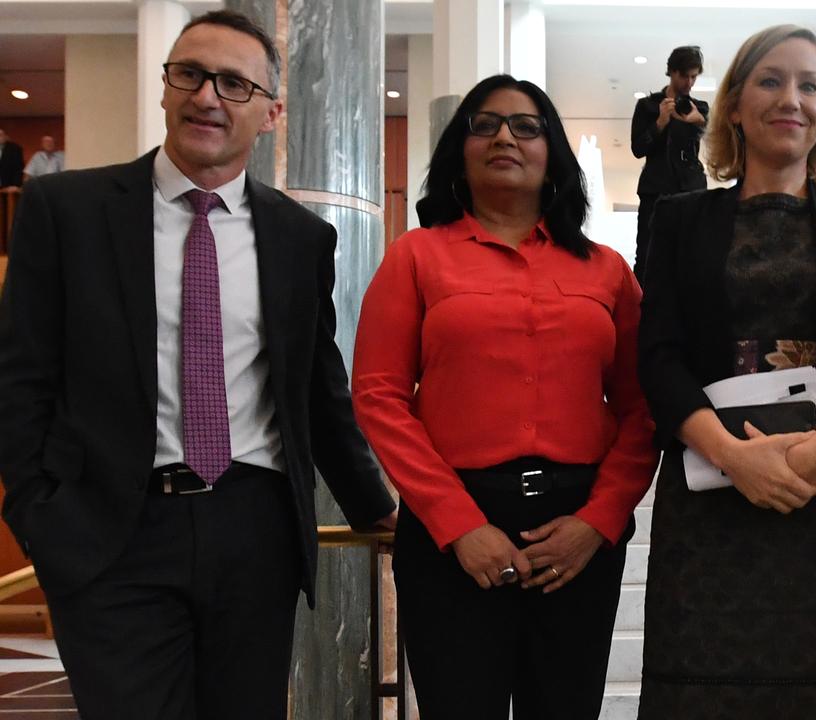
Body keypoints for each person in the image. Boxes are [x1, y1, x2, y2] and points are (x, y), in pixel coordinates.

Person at [0, 10, 396, 719]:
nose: (207, 96)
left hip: (255, 532)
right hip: (112, 533)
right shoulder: (68, 211)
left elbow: (317, 391)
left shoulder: (300, 238)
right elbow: (21, 378)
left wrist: (379, 508)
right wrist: (40, 515)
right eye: (190, 74)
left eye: (233, 84)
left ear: (271, 112)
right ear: (165, 89)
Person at [351, 74, 656, 720]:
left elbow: (642, 410)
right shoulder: (416, 257)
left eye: (525, 126)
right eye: (483, 125)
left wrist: (597, 524)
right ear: (458, 150)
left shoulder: (606, 270)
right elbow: (378, 395)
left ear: (553, 155)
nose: (503, 138)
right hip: (452, 531)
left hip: (577, 533)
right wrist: (459, 526)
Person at [638, 25, 816, 718]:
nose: (793, 98)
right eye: (771, 80)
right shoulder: (679, 219)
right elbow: (658, 355)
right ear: (733, 104)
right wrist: (734, 457)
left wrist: (812, 456)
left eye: (810, 85)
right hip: (709, 508)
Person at [630, 45, 709, 284]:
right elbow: (638, 149)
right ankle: (641, 313)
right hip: (655, 188)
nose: (689, 82)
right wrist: (660, 123)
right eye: (684, 75)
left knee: (692, 253)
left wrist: (699, 123)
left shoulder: (699, 108)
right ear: (672, 72)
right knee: (647, 253)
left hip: (691, 188)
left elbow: (710, 142)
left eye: (694, 76)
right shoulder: (647, 106)